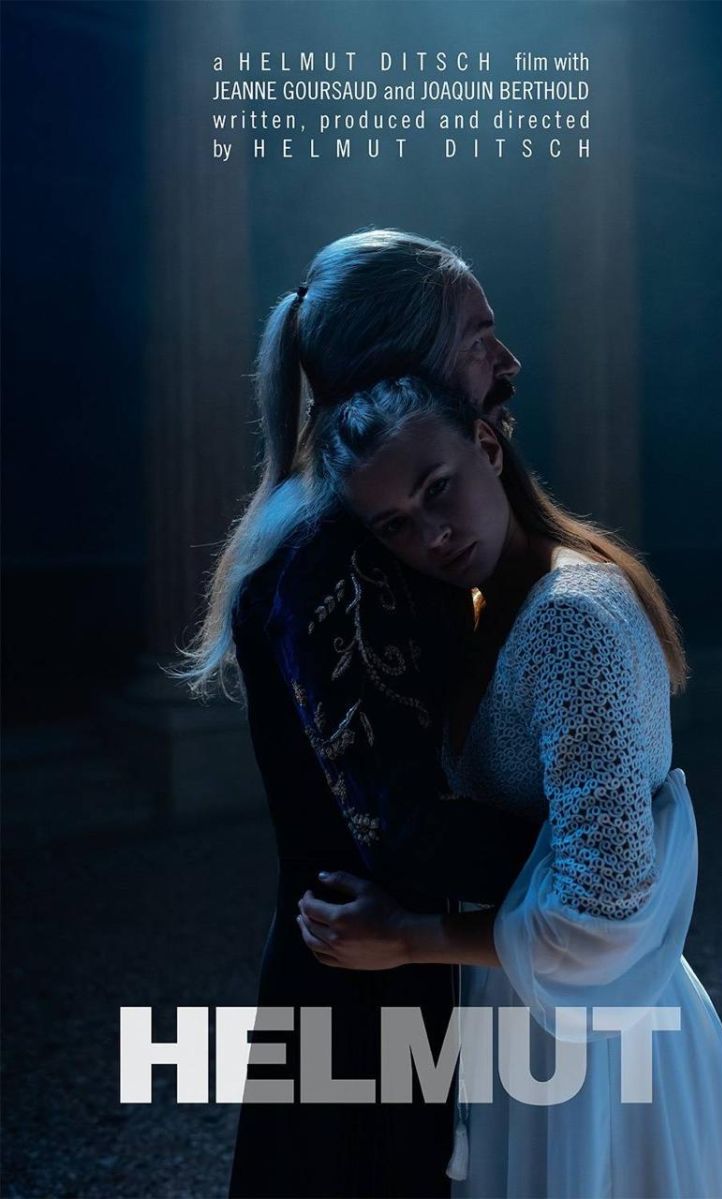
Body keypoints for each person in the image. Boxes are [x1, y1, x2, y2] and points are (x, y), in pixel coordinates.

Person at [295, 375, 722, 1199]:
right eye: (395, 524)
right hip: (542, 1019)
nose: (431, 533)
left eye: (438, 488)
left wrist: (404, 936)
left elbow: (601, 910)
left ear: (488, 445)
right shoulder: (497, 607)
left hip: (597, 1042)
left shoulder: (569, 616)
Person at [174, 229, 546, 1198]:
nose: (505, 362)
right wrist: (604, 855)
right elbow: (408, 833)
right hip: (358, 988)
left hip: (377, 970)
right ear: (403, 364)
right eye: (478, 337)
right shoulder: (332, 555)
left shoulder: (368, 534)